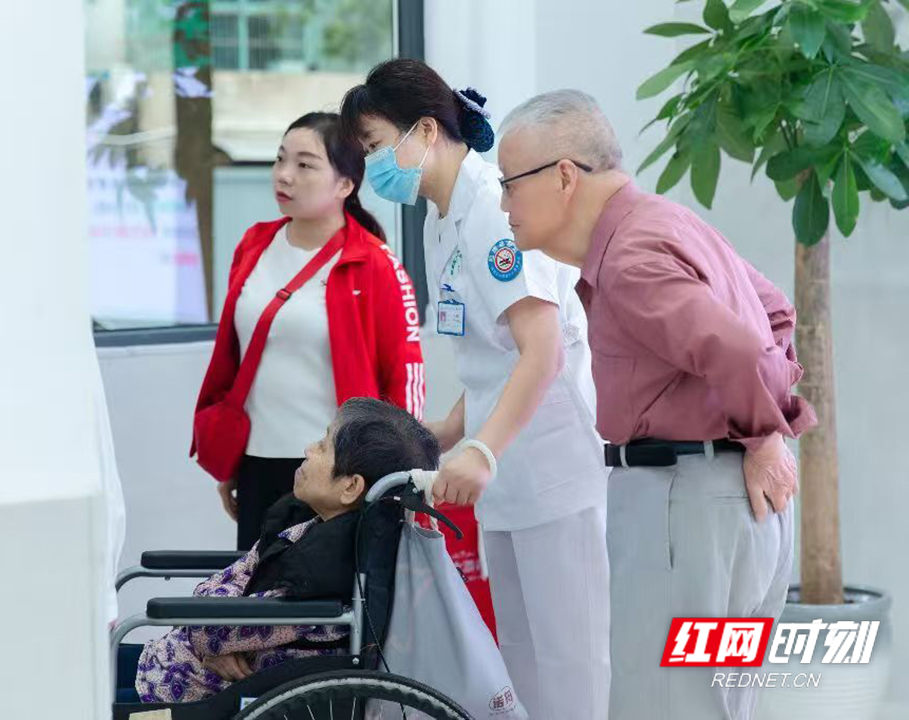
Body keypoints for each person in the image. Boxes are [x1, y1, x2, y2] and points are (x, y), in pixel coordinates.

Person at [496, 89, 818, 720]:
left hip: (688, 502)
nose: (504, 203)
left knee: (666, 706)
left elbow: (737, 346)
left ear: (565, 176)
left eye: (510, 184)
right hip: (725, 505)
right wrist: (762, 438)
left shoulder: (632, 255)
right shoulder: (662, 221)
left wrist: (764, 437)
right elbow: (774, 309)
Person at [341, 60, 610, 719]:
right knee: (519, 661)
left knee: (570, 662)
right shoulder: (441, 219)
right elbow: (491, 356)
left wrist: (482, 449)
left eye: (375, 145)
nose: (373, 164)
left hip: (550, 468)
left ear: (425, 130)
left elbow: (541, 350)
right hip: (505, 474)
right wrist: (447, 433)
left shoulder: (492, 208)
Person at [193, 112, 425, 551]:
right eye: (280, 160)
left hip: (333, 477)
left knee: (325, 612)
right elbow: (234, 358)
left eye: (305, 165)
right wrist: (231, 462)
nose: (284, 175)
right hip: (257, 462)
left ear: (345, 184)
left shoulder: (373, 263)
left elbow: (405, 376)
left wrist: (399, 475)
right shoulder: (254, 245)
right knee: (255, 604)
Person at [138, 397, 441, 703]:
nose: (308, 450)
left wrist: (212, 638)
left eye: (323, 447)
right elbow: (225, 598)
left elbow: (206, 626)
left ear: (351, 487)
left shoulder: (323, 571)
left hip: (192, 691)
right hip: (183, 666)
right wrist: (214, 640)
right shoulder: (308, 527)